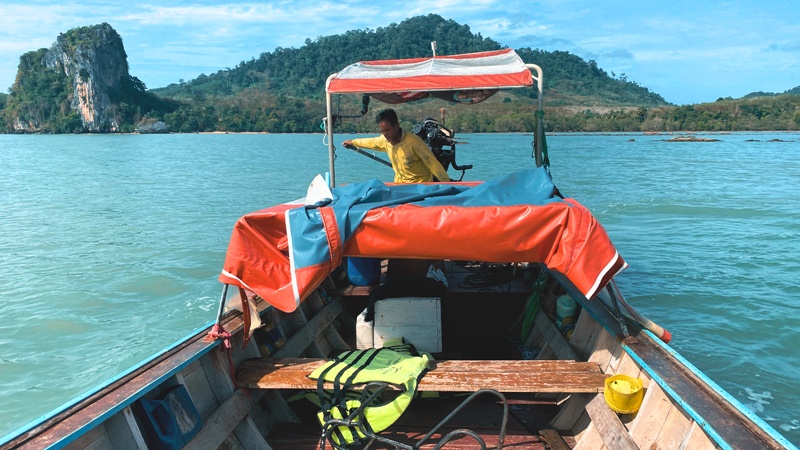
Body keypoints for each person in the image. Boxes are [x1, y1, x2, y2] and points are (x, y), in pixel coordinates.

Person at [343, 109, 451, 183]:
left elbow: (434, 165)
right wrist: (353, 142)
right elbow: (371, 142)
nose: (385, 134)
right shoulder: (384, 140)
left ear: (397, 125)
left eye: (388, 130)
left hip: (420, 186)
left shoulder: (414, 143)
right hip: (400, 185)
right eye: (383, 131)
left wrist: (448, 184)